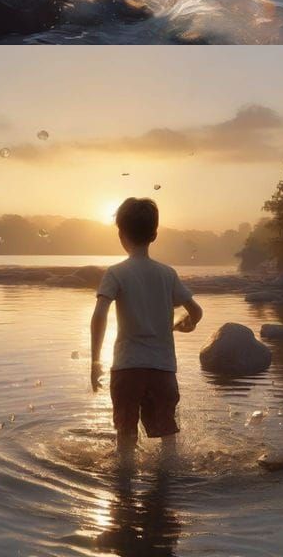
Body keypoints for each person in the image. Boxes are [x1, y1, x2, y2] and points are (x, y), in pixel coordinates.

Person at [90, 197, 203, 471]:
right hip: (163, 368)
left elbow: (100, 315)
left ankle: (125, 487)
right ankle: (168, 487)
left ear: (121, 234)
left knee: (125, 436)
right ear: (154, 234)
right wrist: (183, 324)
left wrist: (94, 361)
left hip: (128, 367)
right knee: (167, 436)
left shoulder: (116, 273)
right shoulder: (167, 274)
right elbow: (196, 312)